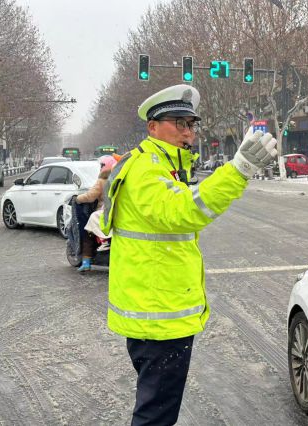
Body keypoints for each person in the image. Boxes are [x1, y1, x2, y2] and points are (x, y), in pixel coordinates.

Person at [100, 84, 277, 425]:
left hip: (155, 315)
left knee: (156, 409)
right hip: (159, 321)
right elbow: (183, 210)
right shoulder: (147, 169)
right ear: (153, 127)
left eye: (191, 124)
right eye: (178, 123)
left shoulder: (157, 164)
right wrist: (238, 170)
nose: (188, 132)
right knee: (156, 416)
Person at [75, 155, 117, 272]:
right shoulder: (119, 179)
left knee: (88, 231)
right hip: (118, 213)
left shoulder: (102, 181)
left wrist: (77, 199)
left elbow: (90, 196)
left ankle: (86, 261)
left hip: (103, 213)